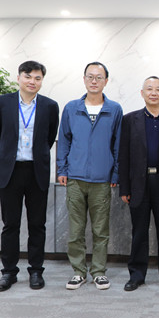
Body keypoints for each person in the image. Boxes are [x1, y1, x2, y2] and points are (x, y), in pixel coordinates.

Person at [0, 60, 59, 292]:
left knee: (37, 224)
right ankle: (9, 272)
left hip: (36, 171)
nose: (32, 81)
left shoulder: (50, 106)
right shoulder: (2, 102)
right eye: (28, 76)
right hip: (10, 171)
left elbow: (49, 137)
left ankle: (36, 271)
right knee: (10, 225)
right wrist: (8, 155)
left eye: (37, 78)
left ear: (42, 81)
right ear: (18, 77)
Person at [57, 61, 123, 290]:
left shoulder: (114, 109)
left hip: (102, 180)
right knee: (75, 230)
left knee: (100, 230)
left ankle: (98, 272)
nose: (94, 81)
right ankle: (78, 272)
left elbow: (118, 144)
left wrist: (116, 173)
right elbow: (64, 140)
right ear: (84, 79)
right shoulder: (72, 108)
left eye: (99, 77)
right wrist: (62, 169)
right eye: (90, 77)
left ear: (106, 81)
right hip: (75, 178)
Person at [118, 76, 159, 292]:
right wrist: (125, 187)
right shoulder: (130, 120)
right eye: (149, 89)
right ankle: (136, 276)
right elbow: (124, 155)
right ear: (142, 93)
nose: (153, 93)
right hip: (139, 183)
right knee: (139, 233)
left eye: (158, 89)